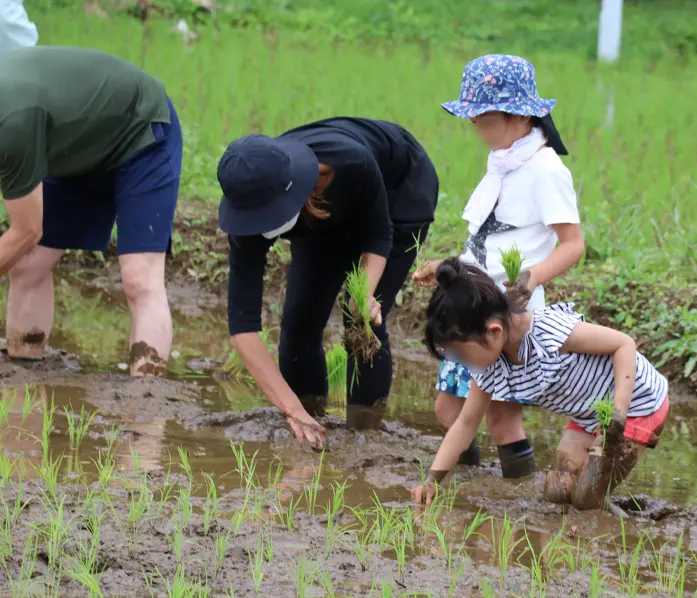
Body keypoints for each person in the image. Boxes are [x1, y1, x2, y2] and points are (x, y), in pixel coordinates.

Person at [217, 118, 438, 450]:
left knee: (360, 320)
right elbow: (243, 329)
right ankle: (309, 422)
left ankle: (364, 437)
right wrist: (292, 411)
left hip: (398, 193)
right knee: (299, 321)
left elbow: (379, 233)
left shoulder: (349, 162)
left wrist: (363, 294)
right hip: (314, 208)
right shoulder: (253, 198)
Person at [412, 54, 584, 478]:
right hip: (470, 305)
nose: (478, 130)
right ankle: (468, 489)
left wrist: (530, 279)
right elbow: (490, 237)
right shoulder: (505, 159)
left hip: (506, 314)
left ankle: (517, 495)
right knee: (449, 409)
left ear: (520, 116)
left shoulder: (545, 170)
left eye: (484, 120)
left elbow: (573, 245)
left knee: (502, 418)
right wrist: (449, 267)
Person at [410, 259, 670, 510]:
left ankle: (626, 525)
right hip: (588, 415)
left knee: (586, 499)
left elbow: (623, 343)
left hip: (636, 405)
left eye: (462, 354)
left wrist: (618, 413)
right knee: (556, 492)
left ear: (494, 331)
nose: (462, 362)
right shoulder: (490, 366)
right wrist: (432, 481)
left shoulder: (548, 332)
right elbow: (465, 424)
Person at [0, 46, 183, 376]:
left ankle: (146, 403)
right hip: (72, 142)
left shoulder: (11, 126)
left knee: (139, 277)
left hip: (138, 130)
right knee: (28, 267)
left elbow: (27, 231)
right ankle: (22, 376)